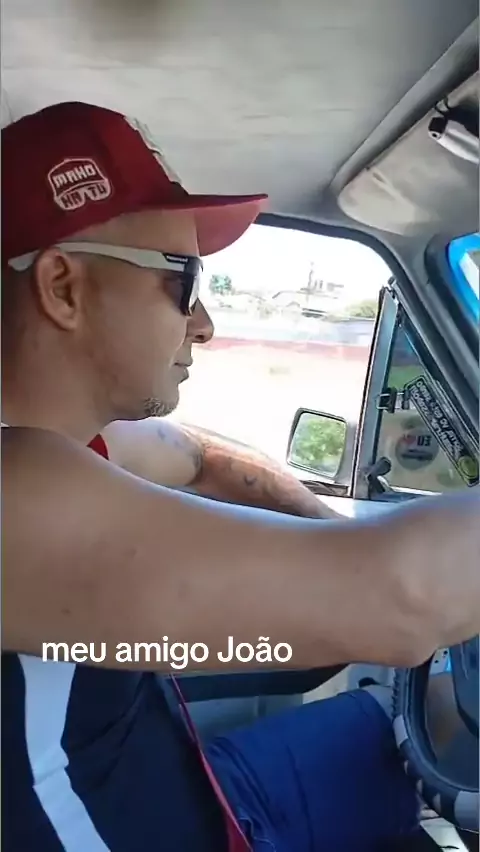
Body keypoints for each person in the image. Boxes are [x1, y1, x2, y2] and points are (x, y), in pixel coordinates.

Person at [2, 101, 479, 852]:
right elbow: (403, 604)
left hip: (196, 793)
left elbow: (198, 456)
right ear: (64, 288)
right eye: (182, 281)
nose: (204, 324)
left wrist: (326, 535)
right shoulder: (15, 496)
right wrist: (355, 574)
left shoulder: (74, 446)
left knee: (415, 717)